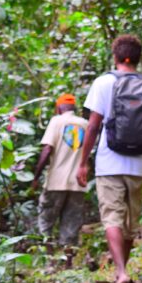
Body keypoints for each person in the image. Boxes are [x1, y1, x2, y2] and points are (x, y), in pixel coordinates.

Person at [76, 35, 142, 283]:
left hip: (109, 163)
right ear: (138, 59)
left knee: (112, 217)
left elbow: (93, 126)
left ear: (115, 57)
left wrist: (83, 162)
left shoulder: (103, 83)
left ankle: (120, 272)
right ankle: (122, 270)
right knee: (129, 222)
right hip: (139, 164)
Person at [30, 93, 89, 266]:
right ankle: (67, 264)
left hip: (56, 182)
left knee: (46, 220)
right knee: (71, 223)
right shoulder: (85, 124)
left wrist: (36, 177)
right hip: (78, 184)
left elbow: (47, 149)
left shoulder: (56, 121)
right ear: (74, 108)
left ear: (58, 107)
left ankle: (49, 261)